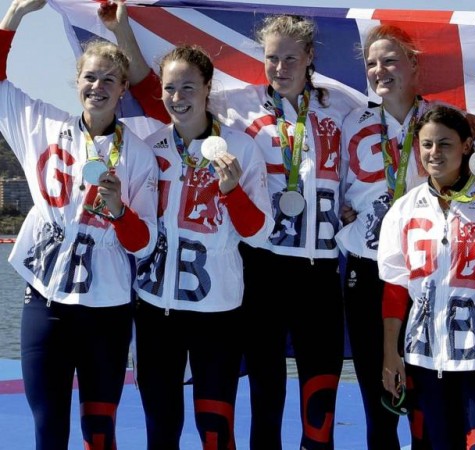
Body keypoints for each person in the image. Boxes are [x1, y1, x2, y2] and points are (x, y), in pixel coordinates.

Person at [108, 3, 363, 447]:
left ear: (308, 57)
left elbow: (397, 132)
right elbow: (161, 95)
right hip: (261, 268)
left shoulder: (341, 105)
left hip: (320, 270)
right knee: (265, 395)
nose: (279, 67)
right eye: (271, 57)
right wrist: (122, 28)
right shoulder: (237, 105)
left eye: (289, 57)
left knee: (320, 402)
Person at [99, 4, 274, 448]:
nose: (178, 97)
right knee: (161, 428)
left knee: (216, 430)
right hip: (156, 309)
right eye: (171, 88)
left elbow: (257, 232)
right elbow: (135, 231)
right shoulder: (148, 146)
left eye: (188, 87)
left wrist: (232, 190)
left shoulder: (240, 149)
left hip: (217, 310)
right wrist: (120, 30)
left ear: (207, 88)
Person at [0, 0, 159, 448]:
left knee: (99, 433)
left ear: (123, 87)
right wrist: (14, 16)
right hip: (45, 304)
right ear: (77, 82)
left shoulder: (141, 155)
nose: (98, 86)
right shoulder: (41, 126)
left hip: (107, 312)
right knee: (48, 430)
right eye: (90, 77)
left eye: (110, 79)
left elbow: (143, 243)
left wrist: (120, 211)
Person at [378, 104, 475, 450]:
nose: (434, 153)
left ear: (466, 147)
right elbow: (396, 285)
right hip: (427, 356)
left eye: (444, 144)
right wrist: (390, 353)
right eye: (427, 144)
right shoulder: (405, 206)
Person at [337, 24, 433, 450]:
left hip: (426, 276)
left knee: (425, 404)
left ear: (413, 65)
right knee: (378, 403)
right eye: (373, 63)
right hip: (367, 272)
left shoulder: (442, 121)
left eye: (390, 60)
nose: (380, 70)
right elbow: (329, 186)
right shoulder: (350, 122)